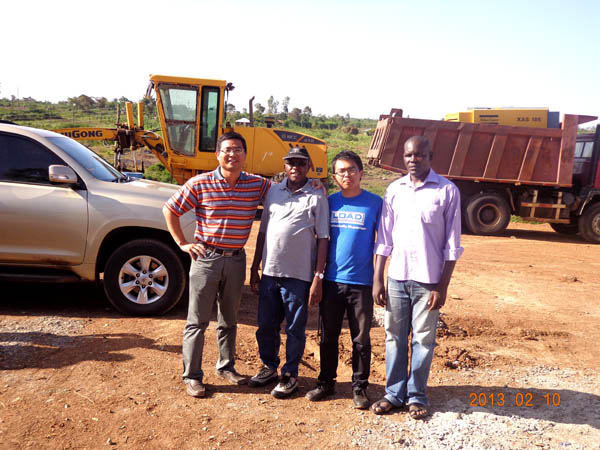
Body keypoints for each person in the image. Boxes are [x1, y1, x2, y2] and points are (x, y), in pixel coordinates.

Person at [162, 131, 270, 398]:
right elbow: (170, 209)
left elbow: (286, 191)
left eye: (238, 150)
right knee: (197, 321)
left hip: (236, 259)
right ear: (218, 154)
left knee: (229, 319)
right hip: (206, 259)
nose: (232, 154)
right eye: (227, 150)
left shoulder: (256, 184)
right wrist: (182, 243)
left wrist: (313, 186)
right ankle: (192, 376)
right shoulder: (200, 183)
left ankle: (226, 367)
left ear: (245, 154)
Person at [370, 136, 463, 419]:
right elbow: (384, 239)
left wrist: (442, 286)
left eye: (419, 155)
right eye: (409, 155)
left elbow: (452, 244)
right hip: (397, 278)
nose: (413, 160)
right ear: (404, 157)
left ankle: (417, 396)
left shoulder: (447, 191)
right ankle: (393, 394)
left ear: (430, 156)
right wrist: (378, 278)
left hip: (428, 281)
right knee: (394, 338)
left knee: (423, 340)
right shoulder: (394, 190)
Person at [249, 146, 329, 399]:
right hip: (270, 271)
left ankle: (290, 374)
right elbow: (263, 231)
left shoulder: (317, 195)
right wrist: (254, 267)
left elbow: (323, 238)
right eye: (291, 162)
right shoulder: (274, 191)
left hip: (299, 275)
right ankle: (269, 367)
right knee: (266, 325)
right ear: (284, 166)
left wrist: (318, 277)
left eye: (301, 163)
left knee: (295, 328)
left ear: (309, 167)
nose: (296, 167)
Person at [305, 150, 382, 409]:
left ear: (361, 173)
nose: (346, 175)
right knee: (328, 336)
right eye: (341, 171)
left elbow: (383, 243)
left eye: (351, 170)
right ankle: (326, 382)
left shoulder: (375, 203)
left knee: (361, 338)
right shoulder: (329, 202)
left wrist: (379, 279)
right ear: (334, 176)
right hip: (332, 281)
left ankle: (360, 387)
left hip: (362, 283)